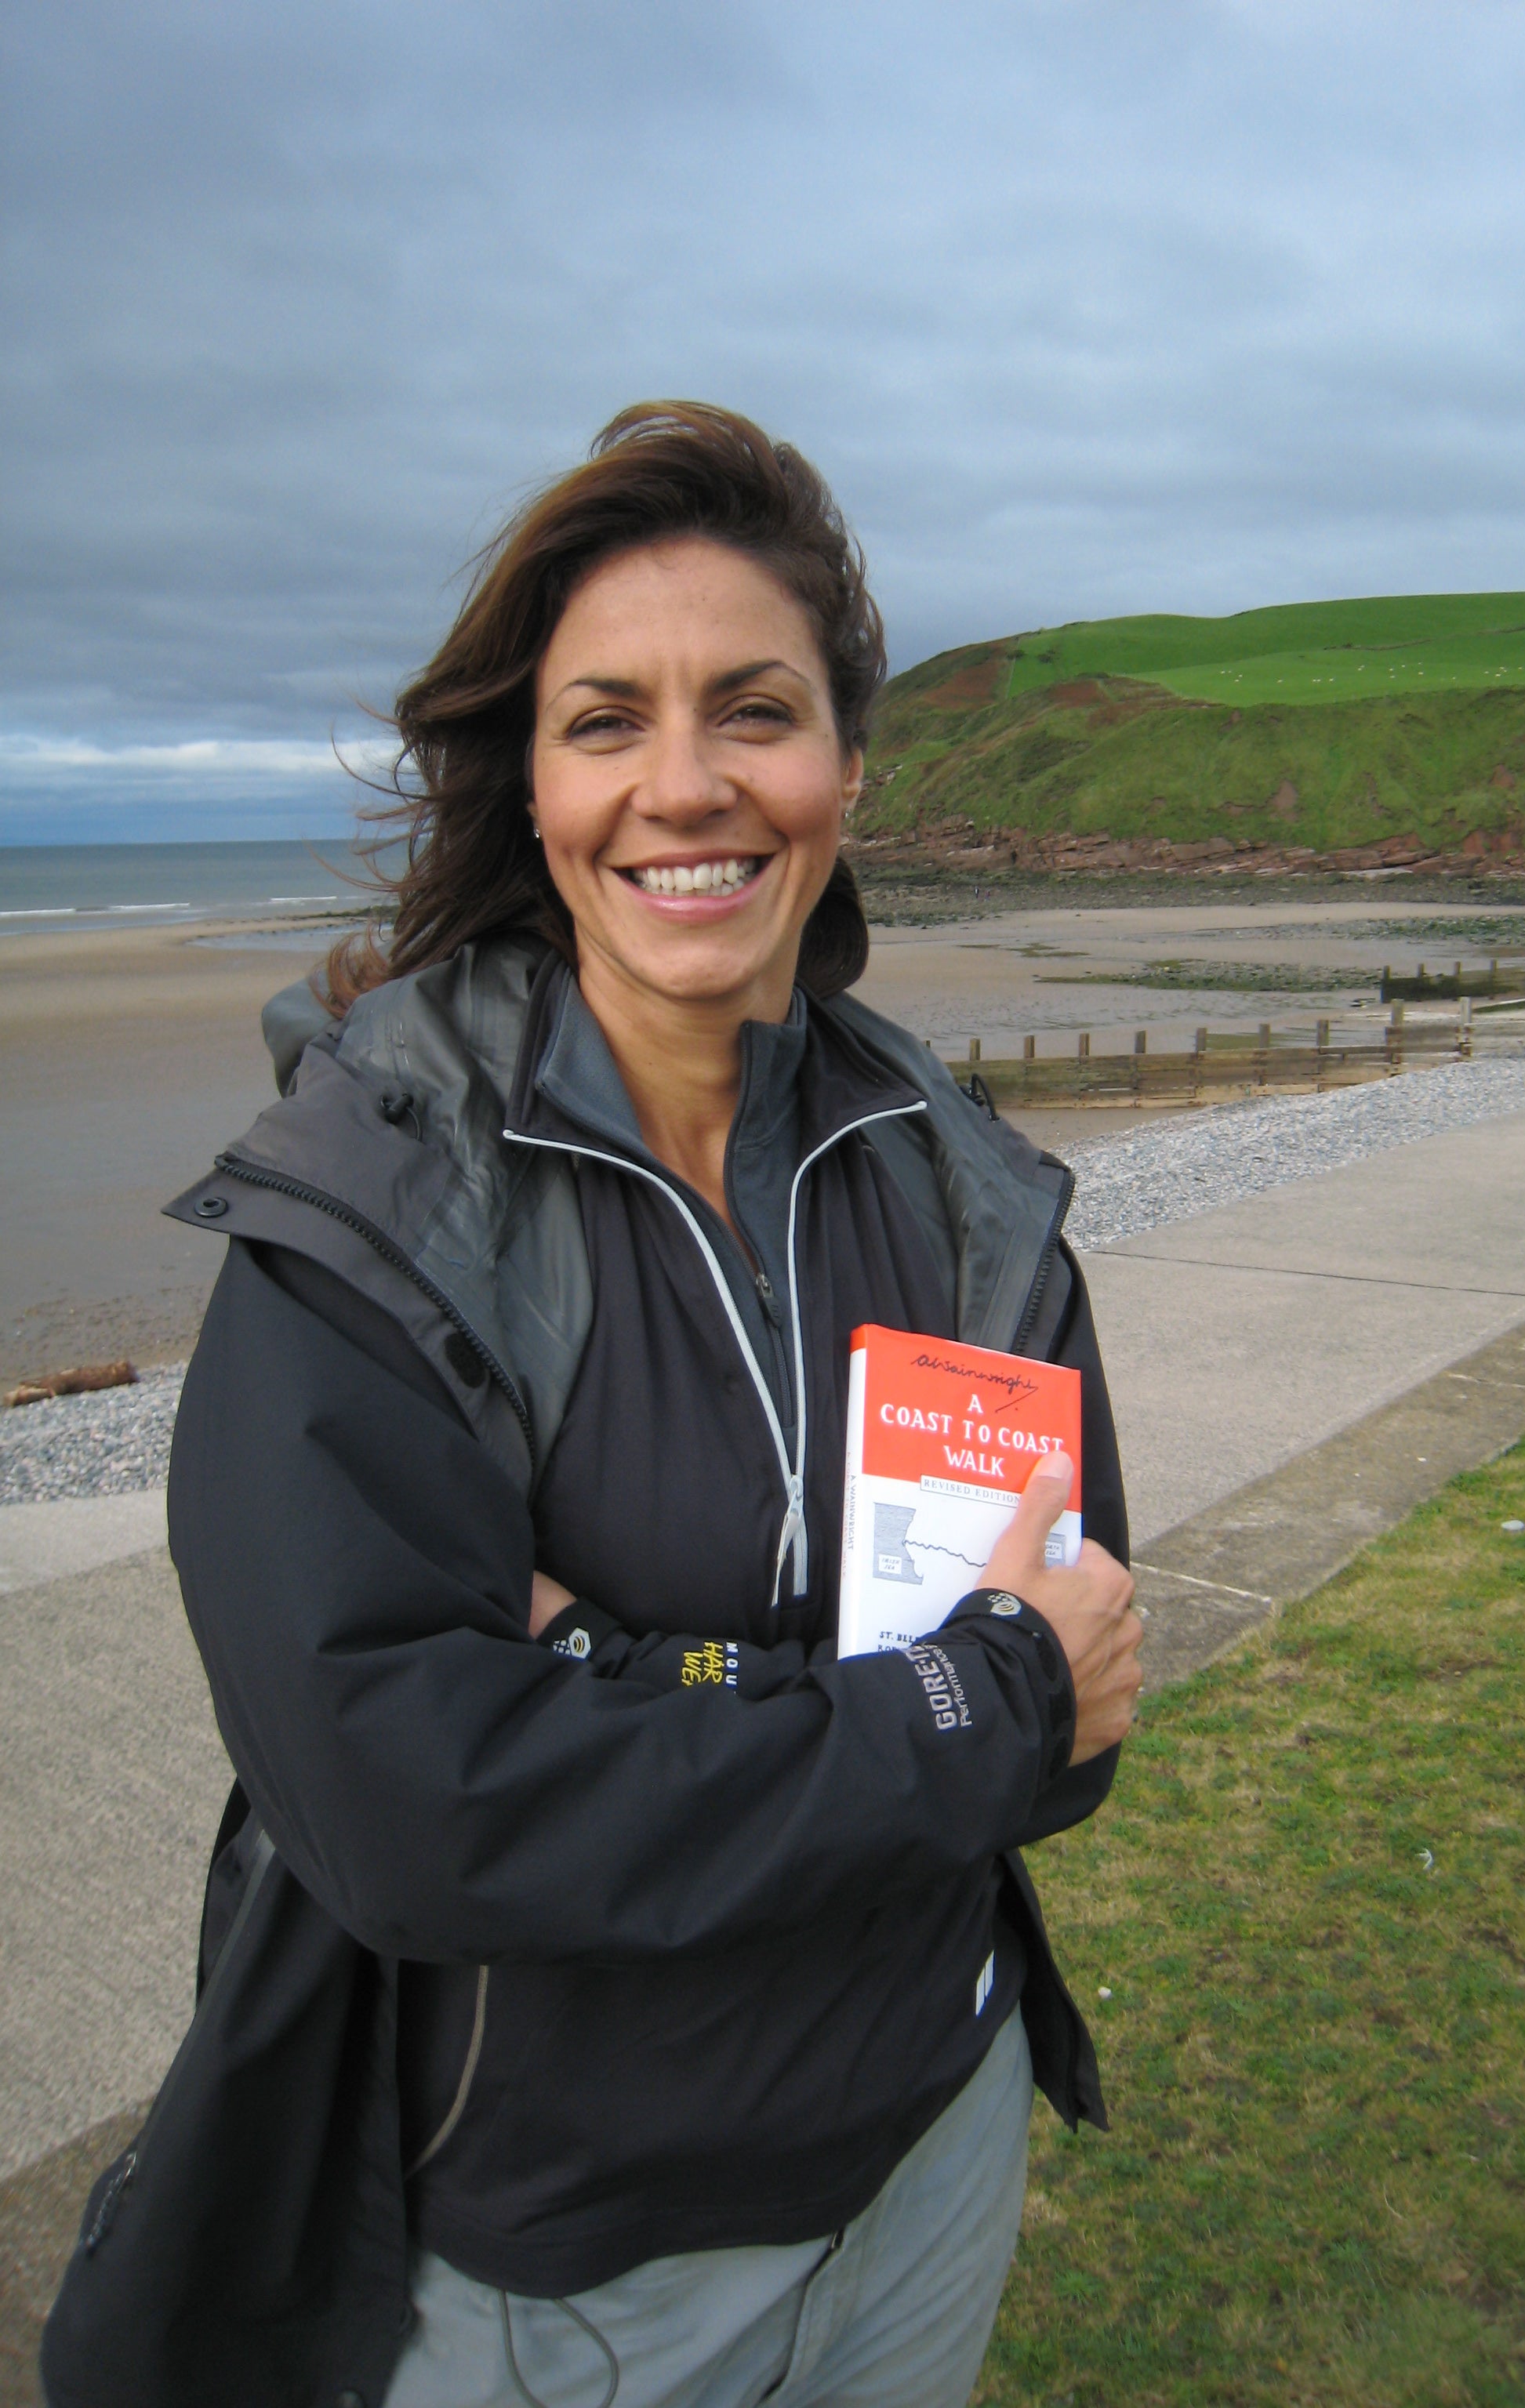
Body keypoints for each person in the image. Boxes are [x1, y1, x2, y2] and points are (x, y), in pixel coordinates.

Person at [41, 403, 1141, 2408]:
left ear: (845, 764)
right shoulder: (365, 1213)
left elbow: (1076, 1715)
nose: (688, 786)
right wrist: (950, 1707)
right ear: (535, 785)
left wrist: (623, 1672)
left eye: (755, 709)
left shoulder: (958, 1185)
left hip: (929, 2153)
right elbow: (410, 1808)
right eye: (608, 721)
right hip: (570, 2271)